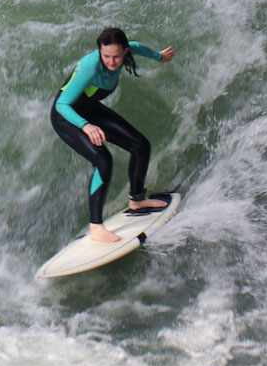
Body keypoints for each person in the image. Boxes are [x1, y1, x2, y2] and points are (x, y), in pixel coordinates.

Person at [50, 27, 175, 243]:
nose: (112, 61)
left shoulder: (128, 50)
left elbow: (138, 47)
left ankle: (137, 200)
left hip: (89, 110)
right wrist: (86, 126)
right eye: (106, 56)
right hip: (67, 117)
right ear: (99, 52)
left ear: (124, 51)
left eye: (117, 56)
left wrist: (159, 57)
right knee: (103, 161)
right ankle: (96, 226)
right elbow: (62, 104)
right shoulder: (90, 67)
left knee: (140, 145)